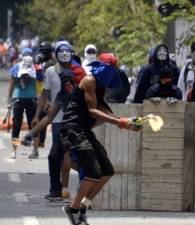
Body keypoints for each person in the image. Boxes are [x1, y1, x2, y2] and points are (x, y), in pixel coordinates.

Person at [58, 60, 140, 225]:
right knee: (93, 172)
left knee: (107, 171)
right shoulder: (89, 81)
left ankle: (83, 208)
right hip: (73, 129)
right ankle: (72, 209)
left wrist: (128, 121)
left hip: (84, 131)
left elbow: (105, 111)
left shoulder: (100, 86)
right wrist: (120, 122)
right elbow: (93, 111)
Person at [32, 40, 86, 201]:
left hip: (75, 120)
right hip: (57, 121)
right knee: (57, 157)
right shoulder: (50, 72)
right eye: (61, 52)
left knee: (73, 156)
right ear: (56, 54)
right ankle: (57, 190)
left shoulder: (79, 72)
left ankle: (84, 186)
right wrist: (37, 115)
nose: (64, 54)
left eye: (66, 51)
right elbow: (44, 95)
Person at [7, 48, 37, 158]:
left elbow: (12, 84)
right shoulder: (18, 67)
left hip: (25, 99)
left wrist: (9, 98)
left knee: (31, 125)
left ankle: (34, 150)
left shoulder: (36, 68)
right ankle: (16, 150)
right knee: (17, 125)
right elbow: (12, 83)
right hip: (22, 99)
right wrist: (9, 98)